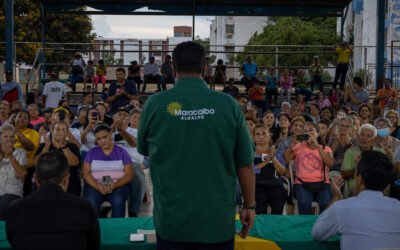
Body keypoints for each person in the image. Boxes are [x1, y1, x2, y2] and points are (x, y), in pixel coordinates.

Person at [137, 42, 255, 248]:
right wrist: (250, 205)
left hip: (172, 223)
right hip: (217, 223)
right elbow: (245, 163)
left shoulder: (154, 104)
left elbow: (144, 150)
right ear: (205, 69)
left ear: (172, 69)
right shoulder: (229, 105)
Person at [5, 150, 100, 250]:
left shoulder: (14, 209)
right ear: (66, 179)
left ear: (35, 179)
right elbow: (93, 245)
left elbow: (13, 240)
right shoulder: (84, 207)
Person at [312, 151, 400, 250]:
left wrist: (336, 198)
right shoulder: (397, 207)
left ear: (359, 178)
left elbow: (317, 233)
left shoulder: (342, 208)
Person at [83, 123, 134, 218]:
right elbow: (86, 173)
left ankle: (116, 229)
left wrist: (115, 185)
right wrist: (97, 186)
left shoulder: (122, 152)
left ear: (111, 133)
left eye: (105, 137)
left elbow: (129, 174)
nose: (102, 141)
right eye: (98, 139)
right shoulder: (92, 152)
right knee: (91, 202)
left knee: (118, 201)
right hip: (95, 185)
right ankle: (95, 230)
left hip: (119, 184)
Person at [286, 122, 334, 214]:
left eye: (311, 130)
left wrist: (317, 147)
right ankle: (307, 226)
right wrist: (291, 146)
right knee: (304, 202)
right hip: (302, 183)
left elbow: (330, 164)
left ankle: (322, 226)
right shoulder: (298, 147)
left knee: (326, 203)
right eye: (305, 131)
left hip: (322, 183)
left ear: (318, 133)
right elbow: (286, 160)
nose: (308, 133)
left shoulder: (325, 148)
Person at [112, 107, 145, 217]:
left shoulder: (138, 132)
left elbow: (133, 143)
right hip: (113, 163)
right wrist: (112, 130)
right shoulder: (111, 131)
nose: (136, 119)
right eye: (134, 117)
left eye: (139, 118)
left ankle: (133, 211)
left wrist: (121, 130)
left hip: (131, 163)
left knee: (137, 175)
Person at [35, 121, 81, 195]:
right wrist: (46, 147)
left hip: (69, 182)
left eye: (63, 130)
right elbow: (37, 163)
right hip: (48, 182)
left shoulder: (73, 146)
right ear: (52, 132)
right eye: (58, 129)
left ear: (66, 133)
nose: (60, 132)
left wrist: (64, 146)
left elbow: (74, 163)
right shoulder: (44, 145)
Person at [341, 124, 386, 198]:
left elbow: (386, 172)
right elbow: (343, 174)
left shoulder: (380, 152)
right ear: (358, 137)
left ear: (374, 139)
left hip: (377, 187)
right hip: (357, 187)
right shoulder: (351, 152)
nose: (364, 138)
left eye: (368, 136)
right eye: (362, 135)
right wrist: (357, 167)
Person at [253, 124, 287, 215]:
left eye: (264, 134)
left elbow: (282, 172)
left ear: (269, 136)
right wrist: (265, 162)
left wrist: (273, 158)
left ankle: (275, 226)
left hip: (275, 185)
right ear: (254, 137)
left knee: (279, 196)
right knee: (259, 200)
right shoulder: (250, 153)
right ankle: (262, 228)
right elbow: (250, 171)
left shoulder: (277, 153)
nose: (261, 137)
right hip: (256, 185)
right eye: (258, 134)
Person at [0, 125, 27, 220]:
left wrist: (11, 157)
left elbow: (22, 174)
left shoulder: (20, 153)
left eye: (11, 136)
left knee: (5, 203)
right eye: (5, 136)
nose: (9, 139)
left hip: (12, 194)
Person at [12, 110, 40, 196]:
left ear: (28, 122)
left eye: (25, 118)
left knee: (25, 196)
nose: (22, 119)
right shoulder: (6, 132)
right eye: (19, 116)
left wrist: (16, 131)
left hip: (28, 171)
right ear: (14, 119)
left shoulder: (33, 133)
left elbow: (30, 146)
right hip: (9, 169)